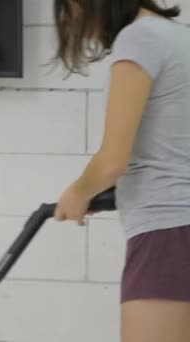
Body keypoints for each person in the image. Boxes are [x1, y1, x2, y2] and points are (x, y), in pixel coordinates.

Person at [50, 0, 190, 341]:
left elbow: (113, 161)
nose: (74, 19)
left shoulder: (138, 38)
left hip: (168, 229)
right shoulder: (178, 36)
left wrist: (78, 192)